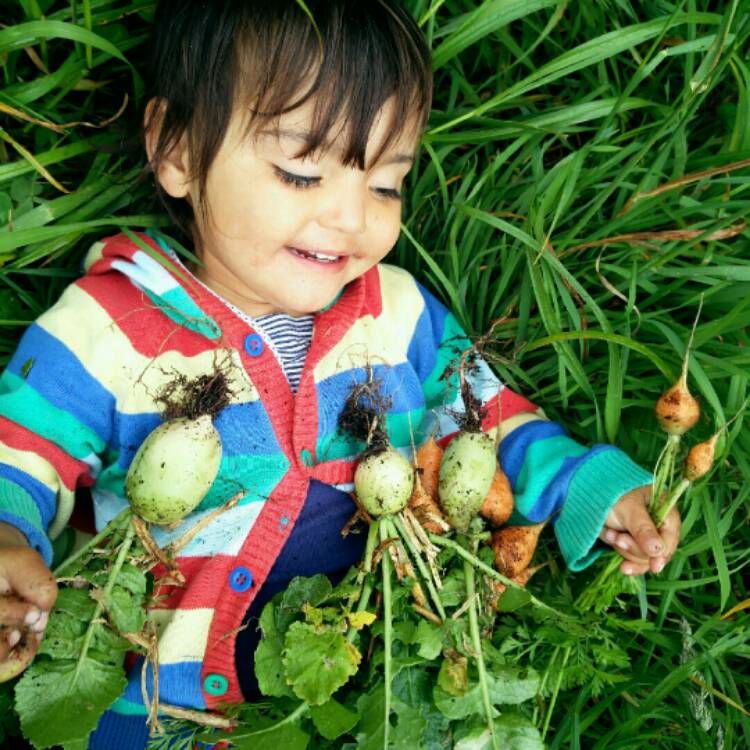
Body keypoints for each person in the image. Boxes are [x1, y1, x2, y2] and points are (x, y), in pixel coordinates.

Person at [0, 1, 681, 747]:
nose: (353, 219)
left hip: (369, 696)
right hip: (161, 712)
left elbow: (484, 417)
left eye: (387, 184)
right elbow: (19, 453)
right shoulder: (108, 325)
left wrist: (585, 484)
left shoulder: (398, 312)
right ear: (177, 151)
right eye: (300, 173)